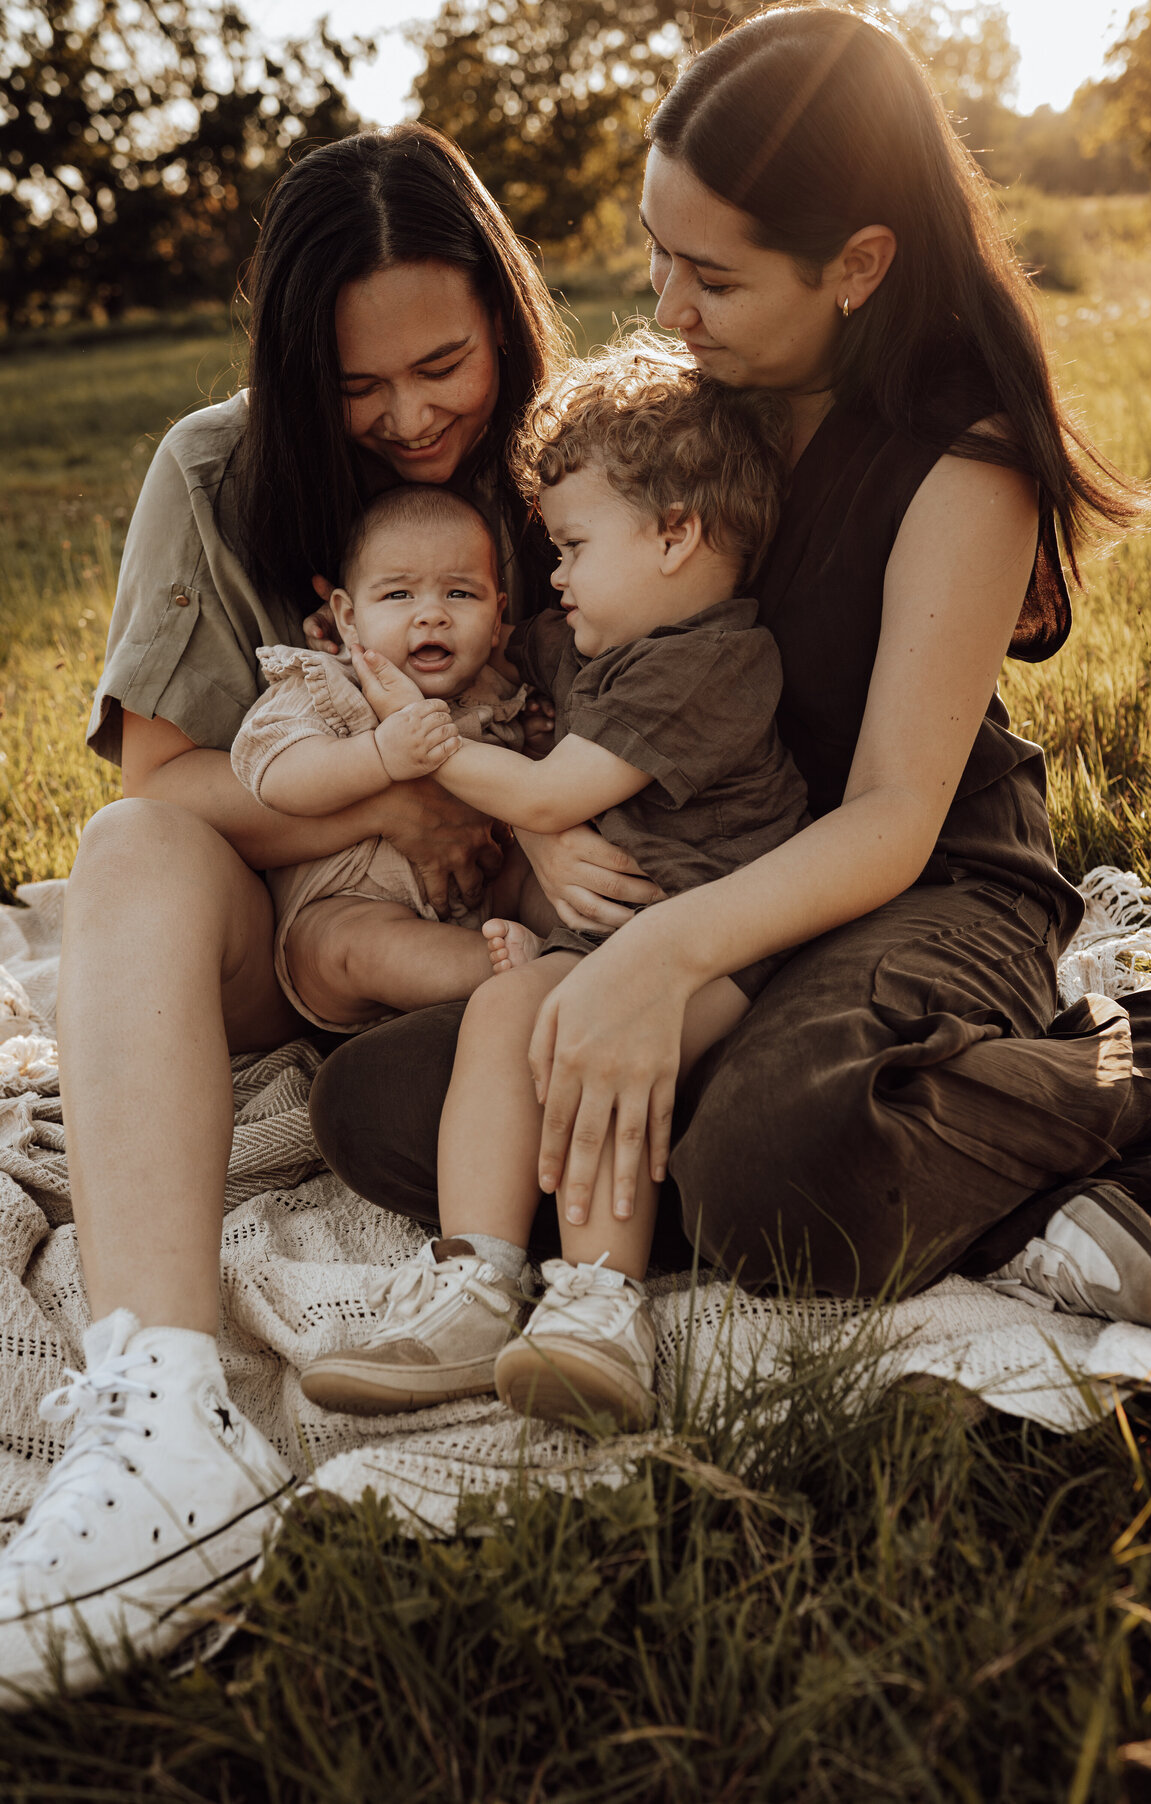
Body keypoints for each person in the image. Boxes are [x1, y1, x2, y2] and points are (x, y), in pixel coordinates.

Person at [309, 6, 1151, 1337]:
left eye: (711, 281)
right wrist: (553, 848)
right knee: (384, 1105)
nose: (668, 309)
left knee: (767, 1171)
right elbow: (575, 663)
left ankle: (1143, 1067)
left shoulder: (963, 452)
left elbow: (896, 816)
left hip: (917, 882)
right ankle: (883, 1162)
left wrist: (659, 959)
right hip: (711, 869)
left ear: (858, 264)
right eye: (661, 260)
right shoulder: (684, 411)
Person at [0, 123, 614, 1700]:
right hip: (290, 933)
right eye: (358, 386)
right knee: (129, 851)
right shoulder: (215, 468)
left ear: (507, 315)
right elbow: (163, 776)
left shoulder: (577, 461)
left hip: (523, 918)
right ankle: (165, 1403)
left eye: (445, 363)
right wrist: (379, 795)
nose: (410, 416)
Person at [298, 339, 809, 1430]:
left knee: (589, 1040)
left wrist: (407, 730)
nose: (558, 577)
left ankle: (598, 1305)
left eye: (573, 547)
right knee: (502, 1009)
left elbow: (543, 796)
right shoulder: (592, 636)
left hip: (713, 947)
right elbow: (480, 650)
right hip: (603, 944)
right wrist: (373, 643)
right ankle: (477, 1281)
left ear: (676, 534)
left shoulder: (709, 659)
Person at [230, 485, 553, 1032]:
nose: (431, 616)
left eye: (460, 594)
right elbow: (275, 777)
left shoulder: (493, 691)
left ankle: (575, 943)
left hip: (481, 895)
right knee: (356, 945)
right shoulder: (326, 685)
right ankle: (516, 972)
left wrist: (537, 741)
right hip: (349, 907)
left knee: (538, 867)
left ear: (497, 617)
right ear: (349, 619)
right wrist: (378, 756)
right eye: (399, 595)